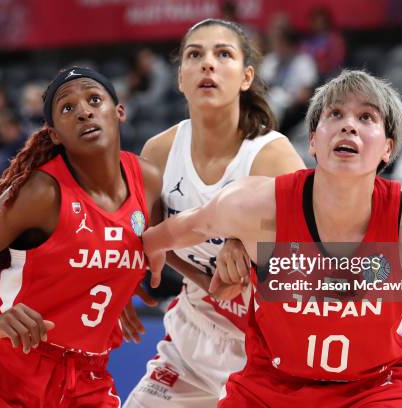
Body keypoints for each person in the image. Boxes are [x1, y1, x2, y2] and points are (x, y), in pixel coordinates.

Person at [143, 70, 402, 407]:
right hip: (270, 387)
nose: (348, 125)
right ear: (312, 140)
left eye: (366, 116)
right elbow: (172, 231)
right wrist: (147, 259)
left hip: (375, 390)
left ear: (387, 148)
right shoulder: (255, 207)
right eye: (335, 114)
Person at [0, 66, 162, 407]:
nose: (84, 111)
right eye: (67, 108)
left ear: (119, 111)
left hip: (89, 375)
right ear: (55, 134)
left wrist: (119, 282)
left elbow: (159, 244)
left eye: (94, 99)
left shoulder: (148, 180)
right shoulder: (41, 193)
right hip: (12, 370)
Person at [122, 18, 306, 408]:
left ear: (245, 77)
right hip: (192, 342)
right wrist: (119, 284)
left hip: (267, 349)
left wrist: (249, 248)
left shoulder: (272, 155)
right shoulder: (158, 152)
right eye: (195, 55)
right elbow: (150, 244)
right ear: (180, 78)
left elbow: (306, 263)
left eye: (224, 54)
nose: (208, 64)